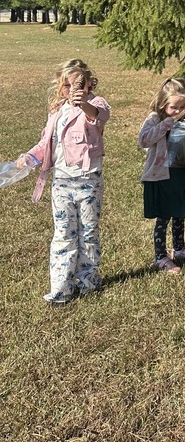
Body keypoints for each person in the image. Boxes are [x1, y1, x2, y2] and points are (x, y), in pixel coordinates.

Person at [19, 58, 110, 304]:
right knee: (63, 234)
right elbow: (46, 142)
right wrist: (30, 157)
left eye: (78, 86)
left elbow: (100, 117)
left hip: (88, 182)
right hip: (61, 183)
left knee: (88, 232)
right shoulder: (56, 111)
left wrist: (85, 106)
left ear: (89, 85)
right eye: (67, 86)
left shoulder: (95, 104)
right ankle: (61, 288)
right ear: (60, 87)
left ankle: (89, 281)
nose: (73, 92)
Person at [139, 77, 185, 275]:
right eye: (174, 107)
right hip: (162, 174)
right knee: (164, 216)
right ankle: (160, 256)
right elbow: (144, 140)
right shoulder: (155, 118)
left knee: (180, 212)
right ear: (163, 103)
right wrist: (165, 125)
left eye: (182, 106)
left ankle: (179, 249)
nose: (178, 111)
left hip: (183, 172)